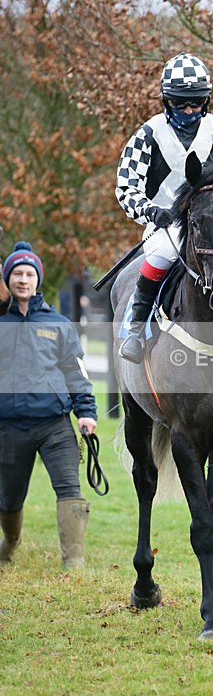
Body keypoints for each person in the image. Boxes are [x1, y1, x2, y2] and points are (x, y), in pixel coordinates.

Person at [116, 51, 213, 363]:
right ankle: (135, 330)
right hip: (167, 224)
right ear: (166, 100)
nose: (189, 109)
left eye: (196, 102)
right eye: (180, 103)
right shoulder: (148, 133)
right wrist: (149, 211)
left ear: (207, 100)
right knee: (161, 255)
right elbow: (125, 185)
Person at [0, 241, 97, 568]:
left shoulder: (58, 324)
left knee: (70, 487)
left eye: (29, 274)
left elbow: (76, 370)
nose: (23, 280)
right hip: (9, 426)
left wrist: (86, 412)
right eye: (17, 274)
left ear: (38, 280)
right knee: (8, 499)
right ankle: (10, 544)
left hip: (54, 424)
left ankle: (74, 562)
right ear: (8, 280)